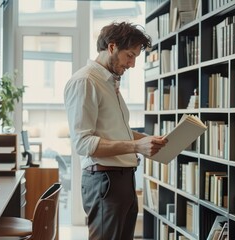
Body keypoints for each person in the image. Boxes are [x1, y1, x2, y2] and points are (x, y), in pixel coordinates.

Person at [64, 21, 167, 240]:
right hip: (105, 182)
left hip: (122, 180)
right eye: (129, 55)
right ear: (112, 47)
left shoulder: (110, 83)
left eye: (135, 58)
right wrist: (136, 146)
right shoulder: (85, 82)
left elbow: (117, 131)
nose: (132, 64)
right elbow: (83, 144)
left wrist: (149, 140)